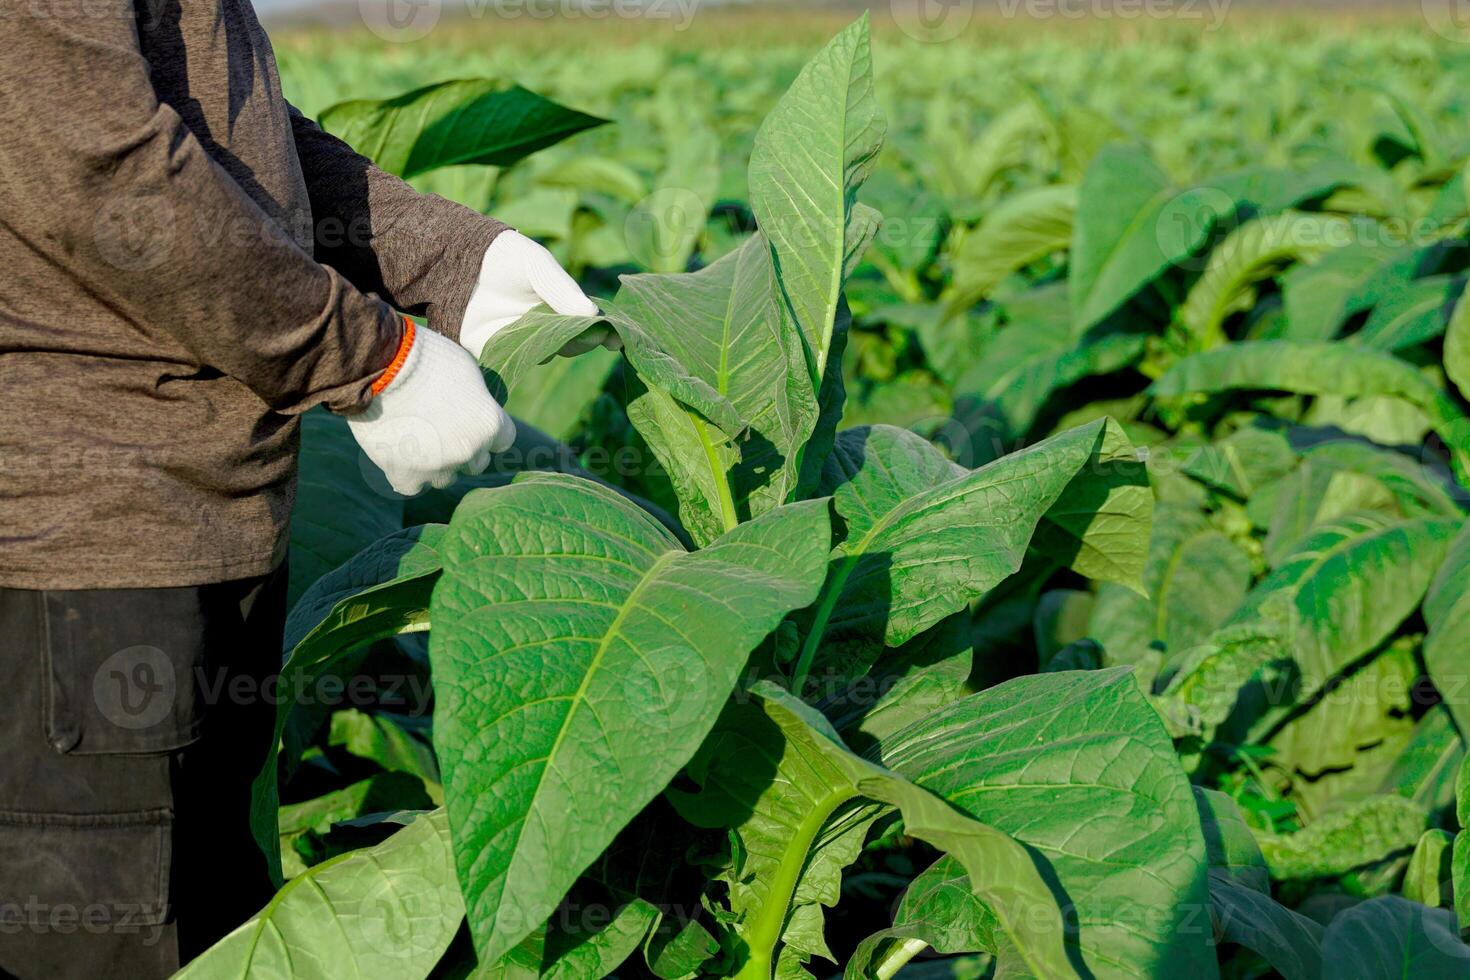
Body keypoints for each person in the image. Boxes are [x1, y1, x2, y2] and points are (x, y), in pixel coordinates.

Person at [0, 0, 615, 975]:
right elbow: (102, 174)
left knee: (215, 937)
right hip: (84, 563)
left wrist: (449, 259)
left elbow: (218, 139)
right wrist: (375, 361)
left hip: (202, 530)